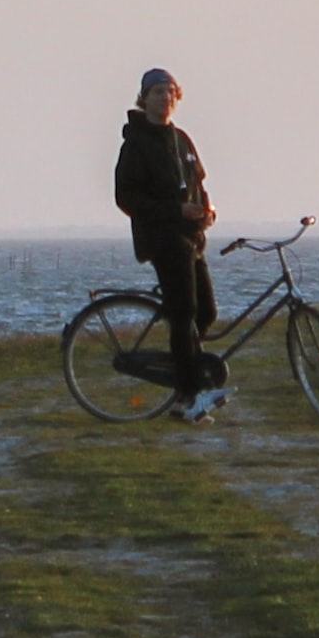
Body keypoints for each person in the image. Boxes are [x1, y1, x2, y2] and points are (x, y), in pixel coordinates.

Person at [112, 67, 223, 418]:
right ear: (144, 98)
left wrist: (206, 210)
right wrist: (175, 210)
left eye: (171, 92)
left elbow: (198, 183)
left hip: (192, 238)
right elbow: (127, 197)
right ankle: (188, 397)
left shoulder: (182, 140)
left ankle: (183, 371)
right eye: (158, 92)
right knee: (183, 312)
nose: (166, 98)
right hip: (162, 239)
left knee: (206, 313)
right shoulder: (136, 144)